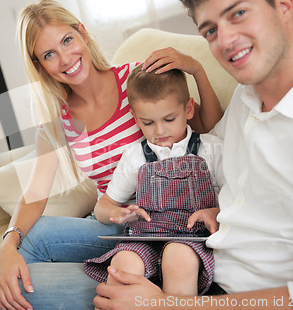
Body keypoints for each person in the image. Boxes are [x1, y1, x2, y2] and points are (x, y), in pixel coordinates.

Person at [93, 0, 293, 309]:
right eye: (210, 30)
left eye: (238, 13)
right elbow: (209, 143)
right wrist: (216, 209)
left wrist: (166, 305)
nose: (224, 40)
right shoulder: (247, 94)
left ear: (284, 4)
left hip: (228, 294)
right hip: (193, 257)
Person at [0, 0, 223, 310]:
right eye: (49, 55)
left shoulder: (136, 81)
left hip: (169, 218)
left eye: (67, 40)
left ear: (83, 33)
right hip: (112, 220)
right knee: (30, 243)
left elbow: (204, 124)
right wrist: (7, 244)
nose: (65, 59)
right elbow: (35, 193)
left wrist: (196, 68)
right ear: (40, 65)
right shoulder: (56, 120)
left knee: (30, 264)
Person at [83, 64, 224, 296]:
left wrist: (215, 211)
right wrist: (116, 214)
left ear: (189, 109)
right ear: (135, 118)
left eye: (169, 119)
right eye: (148, 123)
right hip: (144, 238)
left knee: (178, 258)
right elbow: (103, 206)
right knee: (122, 265)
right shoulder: (135, 156)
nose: (159, 131)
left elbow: (240, 198)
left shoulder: (212, 148)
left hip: (190, 239)